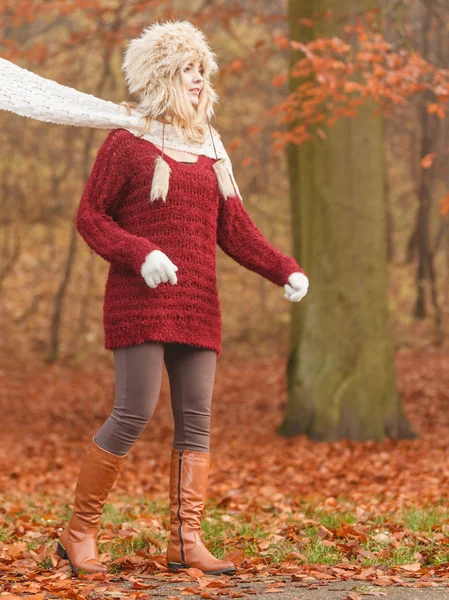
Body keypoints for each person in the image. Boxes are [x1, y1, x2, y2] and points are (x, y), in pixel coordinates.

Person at [55, 20, 309, 577]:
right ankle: (78, 532)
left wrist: (283, 269)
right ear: (162, 75)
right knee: (134, 412)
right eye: (188, 69)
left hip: (198, 302)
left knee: (197, 423)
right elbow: (90, 217)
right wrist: (139, 252)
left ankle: (185, 541)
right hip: (138, 300)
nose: (199, 79)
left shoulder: (211, 147)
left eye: (202, 69)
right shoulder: (126, 141)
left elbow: (235, 230)